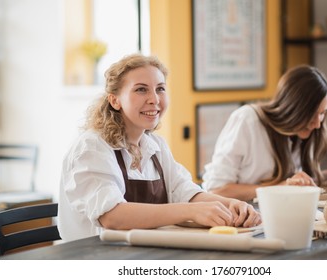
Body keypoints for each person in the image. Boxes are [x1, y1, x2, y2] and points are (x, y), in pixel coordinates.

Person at [58, 53, 260, 241]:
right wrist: (191, 212)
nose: (154, 99)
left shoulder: (155, 146)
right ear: (115, 100)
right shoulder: (92, 146)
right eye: (141, 89)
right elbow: (113, 217)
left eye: (160, 88)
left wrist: (231, 204)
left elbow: (185, 192)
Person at [202, 65, 327, 201]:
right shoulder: (248, 121)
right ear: (291, 108)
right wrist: (281, 187)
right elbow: (217, 191)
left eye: (322, 113)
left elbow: (291, 182)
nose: (317, 124)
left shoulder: (301, 133)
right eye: (311, 114)